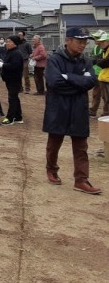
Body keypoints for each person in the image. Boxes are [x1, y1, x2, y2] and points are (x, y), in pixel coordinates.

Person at [43, 27, 101, 194]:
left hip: (78, 108)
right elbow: (54, 83)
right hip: (58, 106)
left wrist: (68, 77)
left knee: (81, 145)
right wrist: (79, 83)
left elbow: (91, 81)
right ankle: (51, 169)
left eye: (85, 42)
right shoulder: (54, 60)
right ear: (68, 40)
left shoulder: (86, 61)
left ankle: (81, 180)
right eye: (79, 41)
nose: (83, 45)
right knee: (54, 142)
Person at [0, 36, 24, 125]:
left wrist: (3, 65)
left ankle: (10, 118)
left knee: (12, 98)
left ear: (14, 43)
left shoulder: (16, 53)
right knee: (14, 98)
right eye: (7, 41)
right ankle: (18, 117)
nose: (7, 43)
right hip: (10, 79)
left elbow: (14, 66)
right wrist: (2, 62)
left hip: (14, 79)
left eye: (9, 41)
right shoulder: (10, 51)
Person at [90, 32, 109, 117]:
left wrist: (98, 61)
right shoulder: (103, 49)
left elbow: (105, 62)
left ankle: (106, 113)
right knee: (100, 95)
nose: (97, 40)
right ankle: (95, 111)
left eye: (103, 41)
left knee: (106, 97)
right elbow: (97, 58)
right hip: (102, 76)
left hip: (105, 76)